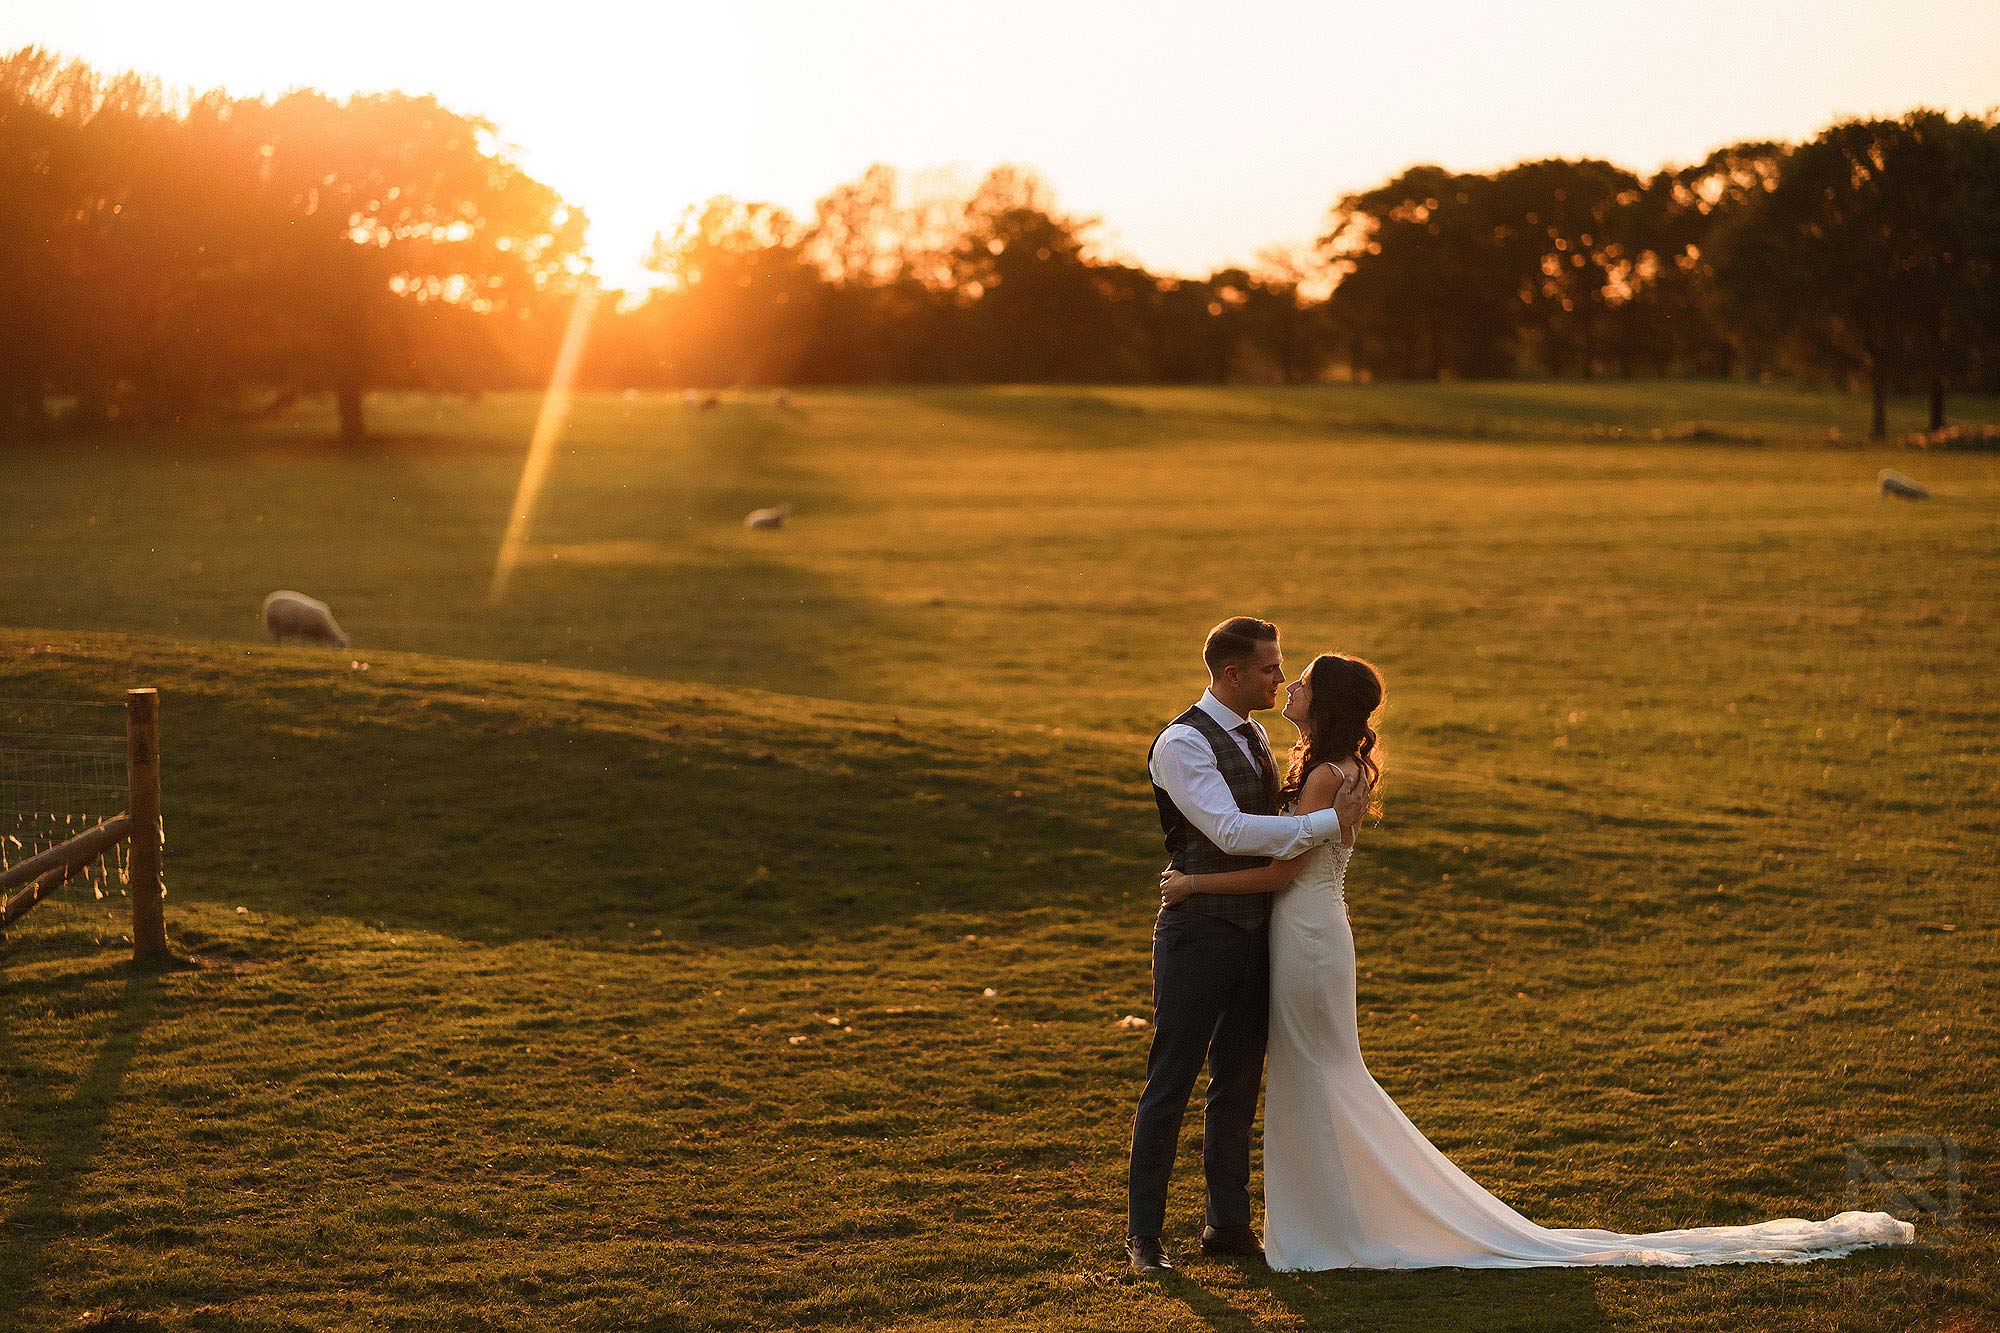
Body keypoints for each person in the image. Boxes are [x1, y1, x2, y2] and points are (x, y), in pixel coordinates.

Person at [1157, 651, 1918, 1269]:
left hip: (1308, 932)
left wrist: (1195, 881)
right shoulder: (1333, 766)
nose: (1287, 684)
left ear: (1325, 704)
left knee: (1320, 1073)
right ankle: (1330, 1221)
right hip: (1316, 931)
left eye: (1301, 680)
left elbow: (1282, 869)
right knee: (1320, 1073)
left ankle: (1334, 1229)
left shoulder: (1327, 775)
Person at [1125, 617, 1370, 1274]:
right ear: (1232, 674)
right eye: (1269, 668)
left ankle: (1226, 1222)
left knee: (1237, 1081)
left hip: (1264, 935)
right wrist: (1330, 822)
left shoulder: (1258, 735)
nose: (1280, 678)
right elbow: (1231, 830)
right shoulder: (1181, 743)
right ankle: (1144, 1233)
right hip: (1199, 932)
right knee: (1171, 1079)